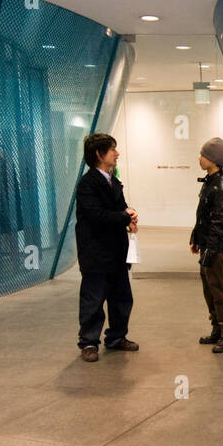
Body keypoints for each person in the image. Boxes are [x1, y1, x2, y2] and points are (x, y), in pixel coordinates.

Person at [74, 133, 138, 361]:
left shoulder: (113, 180)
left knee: (121, 297)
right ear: (99, 154)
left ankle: (117, 337)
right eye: (113, 149)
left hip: (116, 252)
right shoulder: (87, 184)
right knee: (93, 299)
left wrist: (129, 214)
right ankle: (89, 343)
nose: (117, 153)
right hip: (96, 254)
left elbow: (119, 208)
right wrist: (124, 217)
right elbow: (96, 216)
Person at [191, 137, 223, 353]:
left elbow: (219, 223)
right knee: (210, 291)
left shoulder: (220, 187)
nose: (199, 158)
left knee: (220, 291)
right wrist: (195, 236)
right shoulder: (210, 182)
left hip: (217, 248)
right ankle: (217, 329)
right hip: (209, 245)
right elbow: (204, 215)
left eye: (204, 155)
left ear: (214, 160)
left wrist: (209, 250)